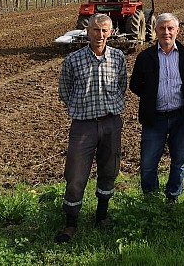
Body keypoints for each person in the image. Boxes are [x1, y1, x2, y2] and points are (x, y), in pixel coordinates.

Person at [55, 13, 127, 243]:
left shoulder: (118, 57)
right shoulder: (73, 60)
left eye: (105, 30)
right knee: (75, 174)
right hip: (83, 126)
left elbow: (122, 86)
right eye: (96, 29)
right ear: (87, 31)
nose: (100, 34)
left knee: (109, 169)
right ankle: (70, 223)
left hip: (111, 123)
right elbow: (64, 91)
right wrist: (80, 109)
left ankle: (101, 216)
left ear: (111, 32)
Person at [129, 12, 184, 203]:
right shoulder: (145, 57)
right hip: (154, 118)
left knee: (179, 161)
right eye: (162, 28)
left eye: (170, 28)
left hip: (181, 117)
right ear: (155, 30)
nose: (166, 32)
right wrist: (150, 96)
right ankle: (151, 198)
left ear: (177, 31)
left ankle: (173, 196)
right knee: (148, 162)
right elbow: (135, 85)